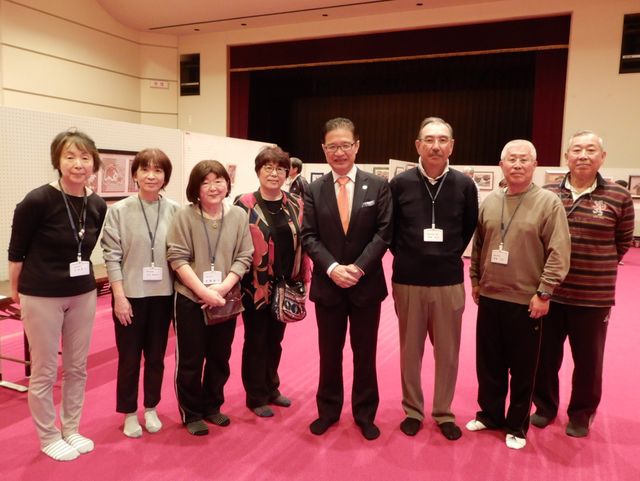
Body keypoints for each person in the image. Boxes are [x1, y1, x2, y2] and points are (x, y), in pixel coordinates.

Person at [8, 129, 107, 461]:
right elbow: (16, 252)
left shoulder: (95, 203)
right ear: (58, 161)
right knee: (45, 369)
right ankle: (49, 435)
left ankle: (71, 429)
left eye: (84, 157)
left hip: (82, 292)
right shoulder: (37, 200)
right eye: (70, 157)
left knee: (77, 367)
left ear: (93, 162)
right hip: (41, 295)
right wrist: (18, 295)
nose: (78, 164)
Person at [466, 139, 571, 450]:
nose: (517, 164)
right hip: (490, 296)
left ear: (534, 165)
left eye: (524, 159)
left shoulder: (548, 203)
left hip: (527, 301)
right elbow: (480, 245)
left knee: (523, 368)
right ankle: (489, 414)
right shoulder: (490, 201)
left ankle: (516, 425)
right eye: (511, 159)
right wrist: (475, 279)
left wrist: (545, 292)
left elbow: (558, 252)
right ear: (501, 165)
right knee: (489, 363)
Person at [531, 131, 635, 437]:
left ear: (602, 157)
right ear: (567, 156)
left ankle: (581, 413)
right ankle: (545, 407)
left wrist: (594, 263)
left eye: (591, 150)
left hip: (593, 297)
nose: (583, 155)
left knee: (589, 362)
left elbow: (623, 242)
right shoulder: (547, 193)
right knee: (545, 357)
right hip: (550, 294)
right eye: (577, 149)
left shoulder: (618, 196)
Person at [301, 117, 393, 441]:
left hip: (365, 286)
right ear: (324, 149)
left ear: (357, 146)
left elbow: (384, 233)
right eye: (332, 146)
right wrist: (332, 269)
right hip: (329, 287)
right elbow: (309, 236)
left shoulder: (378, 185)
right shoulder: (313, 189)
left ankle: (365, 413)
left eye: (345, 145)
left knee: (365, 353)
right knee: (329, 353)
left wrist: (358, 268)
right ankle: (328, 410)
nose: (339, 152)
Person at [389, 117, 478, 440]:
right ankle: (413, 409)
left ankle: (443, 412)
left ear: (451, 146)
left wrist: (444, 254)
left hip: (448, 281)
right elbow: (390, 230)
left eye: (443, 139)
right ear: (418, 145)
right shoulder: (400, 184)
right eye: (429, 139)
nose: (436, 145)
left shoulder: (464, 185)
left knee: (448, 352)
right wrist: (412, 255)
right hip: (408, 280)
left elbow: (469, 227)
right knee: (410, 351)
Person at [166, 160, 253, 436]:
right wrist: (204, 292)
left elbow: (244, 256)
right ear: (196, 188)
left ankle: (212, 405)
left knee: (220, 356)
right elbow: (177, 258)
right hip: (190, 298)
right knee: (191, 359)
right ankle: (191, 412)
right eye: (206, 182)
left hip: (225, 296)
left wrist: (222, 289)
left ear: (227, 184)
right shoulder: (184, 216)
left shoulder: (238, 215)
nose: (213, 187)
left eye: (219, 181)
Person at [101, 148, 179, 438]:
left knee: (157, 357)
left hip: (163, 296)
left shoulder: (175, 210)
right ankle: (130, 413)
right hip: (130, 296)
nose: (151, 175)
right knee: (130, 358)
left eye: (157, 170)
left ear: (165, 177)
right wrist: (119, 297)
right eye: (145, 169)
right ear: (134, 175)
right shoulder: (119, 211)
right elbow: (111, 256)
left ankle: (151, 408)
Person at [234, 146, 309, 418]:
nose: (274, 173)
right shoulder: (244, 204)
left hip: (286, 285)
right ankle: (255, 395)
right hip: (255, 287)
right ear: (258, 171)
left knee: (276, 340)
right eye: (268, 168)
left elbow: (304, 241)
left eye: (280, 168)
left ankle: (271, 387)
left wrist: (301, 275)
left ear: (287, 173)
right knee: (255, 340)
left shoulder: (296, 204)